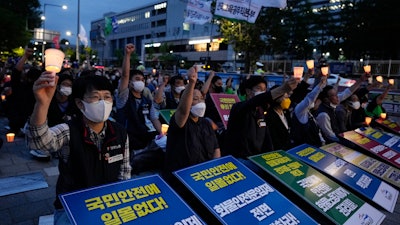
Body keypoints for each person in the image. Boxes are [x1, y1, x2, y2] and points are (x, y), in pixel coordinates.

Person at [25, 73, 131, 225]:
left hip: (109, 205)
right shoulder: (69, 130)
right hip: (72, 208)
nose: (103, 102)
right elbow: (38, 143)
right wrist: (42, 104)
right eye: (95, 97)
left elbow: (124, 172)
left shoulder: (120, 132)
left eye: (107, 97)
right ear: (80, 104)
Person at [223, 76, 298, 169]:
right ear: (248, 91)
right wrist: (283, 88)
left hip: (257, 159)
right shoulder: (239, 108)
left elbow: (267, 139)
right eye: (259, 88)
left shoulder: (261, 111)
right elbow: (257, 100)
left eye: (264, 89)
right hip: (239, 161)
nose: (262, 92)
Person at [163, 66, 220, 181]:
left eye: (201, 99)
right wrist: (192, 83)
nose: (200, 102)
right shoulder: (179, 120)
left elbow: (216, 149)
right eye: (195, 99)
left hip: (205, 176)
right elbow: (183, 110)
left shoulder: (206, 123)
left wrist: (214, 169)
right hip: (182, 177)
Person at [115, 43, 163, 174]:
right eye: (137, 79)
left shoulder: (147, 100)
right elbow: (125, 75)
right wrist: (128, 55)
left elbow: (154, 119)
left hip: (145, 139)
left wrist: (163, 134)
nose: (140, 81)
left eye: (142, 79)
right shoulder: (123, 98)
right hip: (128, 142)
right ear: (130, 82)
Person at [315, 73, 367, 143]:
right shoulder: (323, 115)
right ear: (326, 99)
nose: (337, 97)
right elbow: (330, 135)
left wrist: (361, 80)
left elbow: (347, 92)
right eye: (334, 95)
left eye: (336, 94)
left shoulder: (332, 103)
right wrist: (349, 140)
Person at [291, 75, 327, 147]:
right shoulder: (299, 110)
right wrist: (320, 84)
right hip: (305, 149)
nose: (313, 101)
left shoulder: (308, 113)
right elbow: (310, 98)